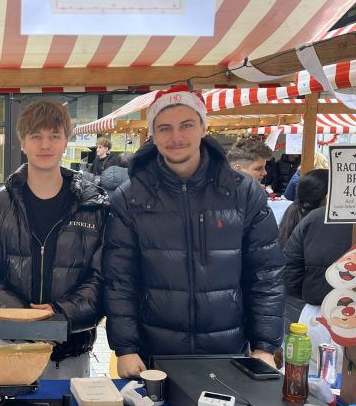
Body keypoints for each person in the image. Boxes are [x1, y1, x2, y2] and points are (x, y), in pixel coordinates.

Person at [102, 85, 285, 378]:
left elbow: (265, 273)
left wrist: (265, 346)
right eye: (165, 128)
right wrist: (125, 348)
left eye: (186, 125)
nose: (176, 137)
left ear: (203, 127)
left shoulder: (242, 191)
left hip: (229, 352)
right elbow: (119, 279)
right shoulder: (131, 196)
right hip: (155, 356)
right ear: (154, 135)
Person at [0, 100, 107, 378]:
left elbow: (104, 276)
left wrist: (59, 316)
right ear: (23, 143)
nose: (45, 145)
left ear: (66, 141)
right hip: (10, 346)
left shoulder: (94, 206)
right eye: (36, 136)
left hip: (70, 352)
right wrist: (24, 320)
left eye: (54, 136)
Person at [282, 169, 352, 329]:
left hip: (311, 309)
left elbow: (290, 270)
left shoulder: (308, 218)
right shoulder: (315, 218)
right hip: (318, 309)